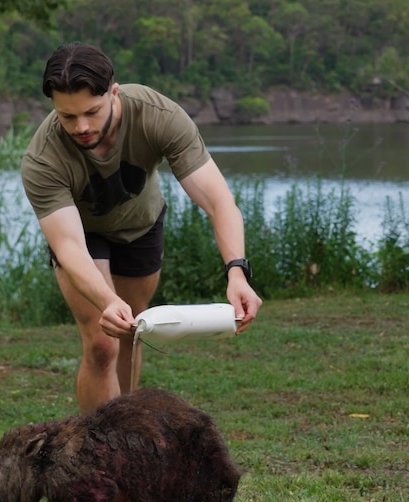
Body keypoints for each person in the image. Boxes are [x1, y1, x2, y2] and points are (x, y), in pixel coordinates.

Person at [21, 41, 262, 414]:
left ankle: (128, 443)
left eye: (91, 112)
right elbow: (68, 246)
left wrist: (237, 272)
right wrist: (106, 299)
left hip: (141, 226)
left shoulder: (157, 115)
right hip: (84, 236)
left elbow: (219, 201)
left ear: (113, 93)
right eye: (67, 117)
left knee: (133, 334)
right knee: (102, 343)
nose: (81, 127)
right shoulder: (43, 157)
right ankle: (100, 450)